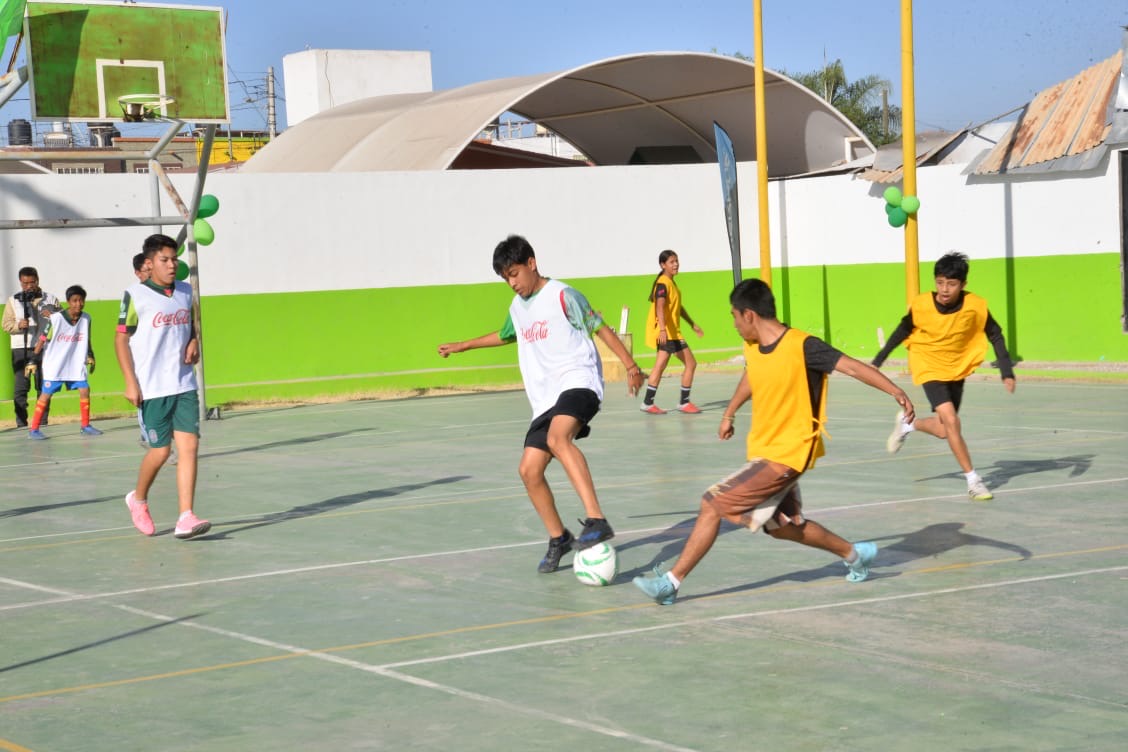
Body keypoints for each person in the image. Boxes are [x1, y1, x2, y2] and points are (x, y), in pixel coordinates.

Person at [633, 278, 915, 605]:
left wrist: (896, 391)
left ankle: (670, 583)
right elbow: (753, 374)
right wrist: (730, 412)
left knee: (713, 503)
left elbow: (851, 366)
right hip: (765, 451)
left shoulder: (802, 346)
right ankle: (854, 555)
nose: (735, 324)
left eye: (734, 316)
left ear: (749, 315)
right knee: (781, 526)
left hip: (789, 453)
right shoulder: (754, 347)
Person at [438, 234, 646, 573]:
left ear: (531, 263)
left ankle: (596, 519)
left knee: (557, 438)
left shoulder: (563, 295)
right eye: (506, 278)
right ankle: (558, 538)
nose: (512, 283)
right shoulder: (517, 309)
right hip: (546, 398)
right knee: (528, 470)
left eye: (515, 273)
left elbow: (600, 328)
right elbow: (506, 334)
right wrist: (464, 345)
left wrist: (631, 366)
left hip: (580, 382)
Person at [872, 252, 1015, 501]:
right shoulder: (922, 305)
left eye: (951, 284)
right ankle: (974, 481)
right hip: (928, 364)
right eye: (940, 282)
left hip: (956, 368)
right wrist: (879, 360)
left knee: (944, 429)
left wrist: (1006, 370)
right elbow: (902, 330)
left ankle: (909, 424)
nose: (945, 289)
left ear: (963, 285)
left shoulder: (975, 305)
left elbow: (995, 333)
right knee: (951, 420)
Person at [114, 234, 209, 540]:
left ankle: (186, 516)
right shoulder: (134, 295)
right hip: (152, 387)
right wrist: (130, 382)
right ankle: (138, 499)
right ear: (149, 263)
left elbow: (193, 325)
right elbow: (120, 339)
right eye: (165, 260)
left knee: (189, 448)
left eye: (174, 259)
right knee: (160, 450)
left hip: (183, 383)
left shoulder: (185, 291)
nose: (172, 265)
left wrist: (194, 340)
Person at [27, 285, 102, 439]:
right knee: (45, 395)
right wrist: (32, 360)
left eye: (81, 300)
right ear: (68, 301)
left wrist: (90, 354)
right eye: (74, 300)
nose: (78, 304)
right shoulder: (55, 319)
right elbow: (41, 339)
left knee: (84, 390)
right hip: (55, 364)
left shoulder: (86, 318)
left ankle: (85, 425)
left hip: (75, 364)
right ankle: (34, 429)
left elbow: (87, 338)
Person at [640, 249, 705, 414]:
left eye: (676, 261)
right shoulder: (662, 283)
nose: (676, 264)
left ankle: (649, 402)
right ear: (663, 265)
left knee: (662, 366)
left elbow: (677, 307)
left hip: (672, 332)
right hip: (667, 333)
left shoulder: (671, 283)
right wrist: (662, 330)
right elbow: (659, 307)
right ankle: (681, 402)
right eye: (671, 262)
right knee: (688, 363)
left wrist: (692, 323)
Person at [3, 267, 59, 428]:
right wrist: (18, 325)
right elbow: (5, 325)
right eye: (24, 283)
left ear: (38, 280)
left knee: (43, 387)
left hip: (43, 348)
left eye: (31, 282)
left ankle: (42, 422)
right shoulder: (13, 300)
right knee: (21, 389)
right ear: (20, 282)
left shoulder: (50, 298)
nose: (28, 286)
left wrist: (53, 316)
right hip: (21, 349)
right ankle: (21, 424)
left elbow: (62, 320)